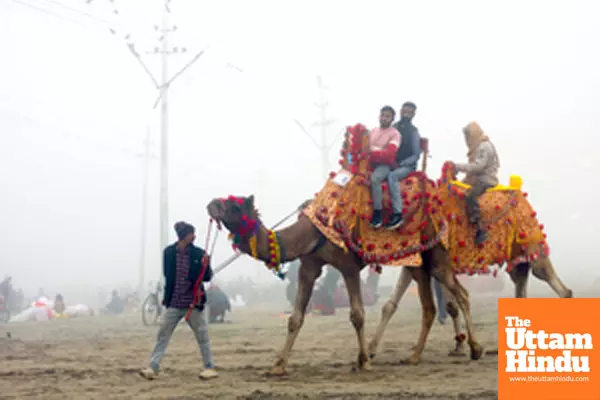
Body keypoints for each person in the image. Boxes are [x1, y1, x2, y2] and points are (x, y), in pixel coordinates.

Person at [139, 221, 218, 380]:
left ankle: (209, 367)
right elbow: (169, 276)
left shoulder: (199, 254)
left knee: (202, 336)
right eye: (191, 233)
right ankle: (153, 367)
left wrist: (206, 265)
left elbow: (207, 277)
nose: (194, 236)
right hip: (174, 302)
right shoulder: (168, 253)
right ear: (184, 236)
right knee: (163, 335)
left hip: (193, 303)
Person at [452, 122, 500, 244]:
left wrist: (457, 167)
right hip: (478, 179)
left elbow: (478, 167)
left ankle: (480, 228)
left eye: (468, 136)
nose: (467, 139)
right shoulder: (479, 146)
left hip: (485, 180)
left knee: (470, 195)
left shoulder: (484, 146)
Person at [382, 101, 423, 228]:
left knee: (392, 177)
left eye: (409, 112)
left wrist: (401, 163)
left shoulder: (414, 132)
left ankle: (397, 214)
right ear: (400, 111)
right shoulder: (393, 127)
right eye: (404, 111)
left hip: (406, 166)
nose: (405, 114)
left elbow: (416, 155)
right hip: (391, 162)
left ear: (413, 114)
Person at [369, 105, 402, 229]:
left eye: (387, 116)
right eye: (382, 115)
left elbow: (389, 156)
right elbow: (365, 148)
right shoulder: (373, 131)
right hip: (369, 163)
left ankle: (378, 214)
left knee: (375, 179)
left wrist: (371, 154)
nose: (384, 118)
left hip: (385, 165)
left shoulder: (395, 134)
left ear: (392, 119)